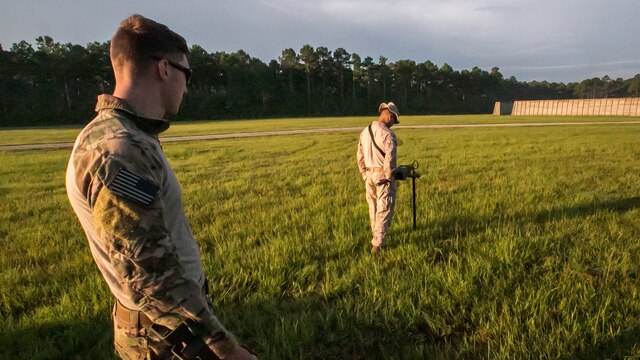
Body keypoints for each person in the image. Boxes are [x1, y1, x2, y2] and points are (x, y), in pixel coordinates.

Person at [65, 14, 257, 360]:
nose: (186, 86)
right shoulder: (121, 150)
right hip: (166, 338)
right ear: (164, 69)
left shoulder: (126, 135)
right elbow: (151, 278)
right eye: (188, 74)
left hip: (166, 329)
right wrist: (227, 350)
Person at [356, 102, 400, 254]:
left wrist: (364, 174)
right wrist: (389, 178)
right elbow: (390, 159)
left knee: (373, 207)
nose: (393, 123)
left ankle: (376, 235)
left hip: (368, 174)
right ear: (388, 114)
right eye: (394, 119)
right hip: (382, 175)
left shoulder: (365, 132)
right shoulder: (388, 135)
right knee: (384, 208)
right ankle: (378, 245)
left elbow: (359, 156)